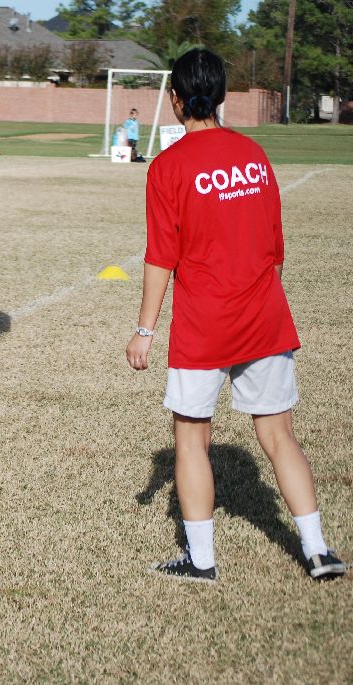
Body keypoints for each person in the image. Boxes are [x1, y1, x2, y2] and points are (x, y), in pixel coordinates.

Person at [126, 48, 345, 583]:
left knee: (191, 440)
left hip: (204, 326)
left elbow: (160, 256)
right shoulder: (253, 154)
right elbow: (275, 246)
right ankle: (318, 551)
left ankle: (201, 561)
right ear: (222, 95)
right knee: (279, 436)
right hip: (265, 318)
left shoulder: (168, 166)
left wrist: (144, 331)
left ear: (176, 99)